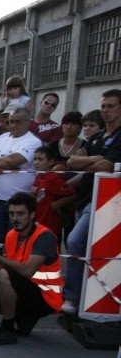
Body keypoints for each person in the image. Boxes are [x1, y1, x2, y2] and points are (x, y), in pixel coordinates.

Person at [61, 89, 121, 314]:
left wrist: (86, 162)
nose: (106, 110)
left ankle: (73, 298)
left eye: (111, 106)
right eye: (103, 106)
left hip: (104, 202)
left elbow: (106, 166)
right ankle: (83, 298)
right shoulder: (97, 137)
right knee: (82, 248)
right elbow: (72, 162)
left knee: (75, 243)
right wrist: (92, 160)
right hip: (84, 198)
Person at [0, 192, 63, 345]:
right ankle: (21, 316)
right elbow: (5, 266)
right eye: (11, 214)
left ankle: (8, 328)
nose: (15, 218)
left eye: (20, 214)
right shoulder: (11, 235)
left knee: (4, 276)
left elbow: (27, 270)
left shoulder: (45, 236)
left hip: (44, 296)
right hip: (22, 286)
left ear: (32, 214)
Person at [0, 106, 43, 245]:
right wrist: (5, 165)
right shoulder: (2, 138)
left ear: (28, 122)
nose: (13, 125)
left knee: (17, 241)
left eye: (18, 121)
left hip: (21, 202)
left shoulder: (33, 141)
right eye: (11, 122)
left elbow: (12, 161)